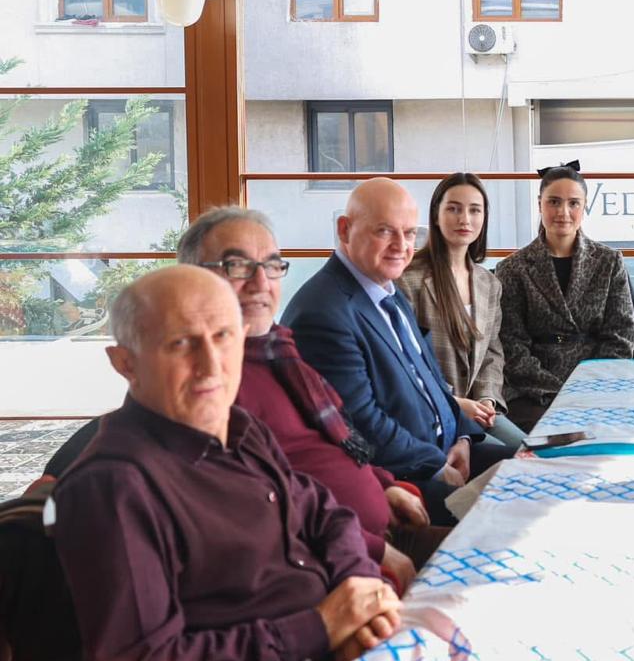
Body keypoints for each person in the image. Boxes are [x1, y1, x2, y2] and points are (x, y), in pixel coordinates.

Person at [52, 267, 401, 661]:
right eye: (181, 343)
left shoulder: (239, 426)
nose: (211, 364)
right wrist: (320, 629)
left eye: (223, 336)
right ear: (125, 363)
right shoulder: (113, 488)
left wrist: (356, 591)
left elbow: (325, 513)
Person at [176, 206, 432, 590]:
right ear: (194, 279)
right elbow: (260, 506)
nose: (261, 282)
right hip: (330, 569)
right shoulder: (209, 382)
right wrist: (374, 549)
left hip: (382, 533)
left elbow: (338, 438)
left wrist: (383, 484)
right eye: (237, 266)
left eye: (271, 265)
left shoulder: (278, 349)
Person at [283, 178, 516, 524]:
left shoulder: (385, 289)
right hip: (403, 476)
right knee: (514, 514)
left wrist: (464, 437)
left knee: (537, 469)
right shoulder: (324, 312)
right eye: (384, 231)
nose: (401, 246)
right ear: (344, 230)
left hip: (447, 448)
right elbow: (363, 424)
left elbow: (433, 384)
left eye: (408, 234)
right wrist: (437, 466)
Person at [497, 164, 634, 429]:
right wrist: (558, 392)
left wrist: (586, 388)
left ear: (585, 207)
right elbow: (511, 346)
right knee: (551, 433)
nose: (563, 212)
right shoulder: (512, 268)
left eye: (573, 203)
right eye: (554, 202)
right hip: (532, 391)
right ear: (539, 204)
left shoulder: (608, 261)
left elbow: (620, 337)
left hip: (597, 386)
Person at [398, 172, 524, 446]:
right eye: (454, 209)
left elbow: (492, 353)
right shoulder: (408, 280)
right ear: (436, 215)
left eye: (474, 210)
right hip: (434, 412)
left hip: (479, 410)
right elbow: (406, 362)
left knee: (533, 454)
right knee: (509, 458)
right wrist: (454, 402)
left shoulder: (489, 283)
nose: (464, 219)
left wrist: (487, 398)